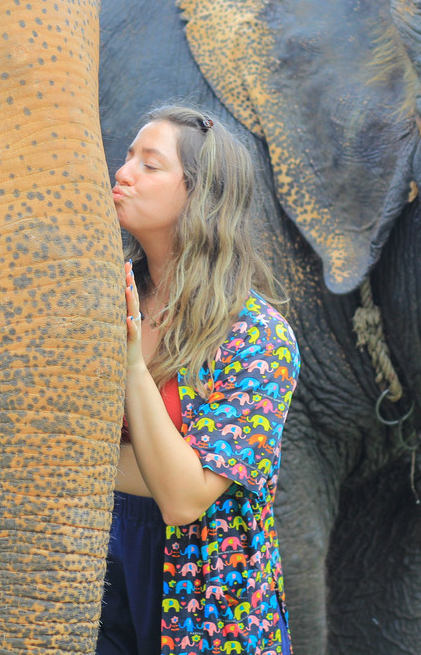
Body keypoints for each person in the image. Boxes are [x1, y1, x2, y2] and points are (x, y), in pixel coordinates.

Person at [99, 104, 300, 655]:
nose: (123, 172)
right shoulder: (100, 296)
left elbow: (185, 497)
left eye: (150, 164)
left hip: (208, 597)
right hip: (94, 563)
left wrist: (133, 364)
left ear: (200, 195)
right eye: (127, 157)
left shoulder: (258, 338)